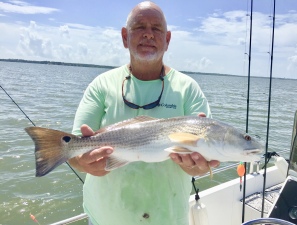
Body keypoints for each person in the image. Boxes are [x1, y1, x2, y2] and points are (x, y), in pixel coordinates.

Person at [69, 1, 219, 225]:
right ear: (124, 36)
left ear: (167, 40)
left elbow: (202, 154)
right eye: (139, 27)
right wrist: (82, 161)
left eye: (156, 29)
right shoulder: (100, 85)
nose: (148, 34)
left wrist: (198, 165)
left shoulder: (188, 89)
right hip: (105, 219)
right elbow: (73, 151)